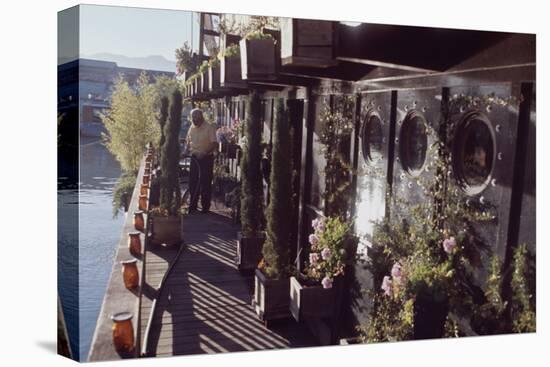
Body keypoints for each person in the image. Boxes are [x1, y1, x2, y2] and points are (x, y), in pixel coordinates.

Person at [184, 108, 218, 213]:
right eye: (193, 118)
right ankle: (193, 206)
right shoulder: (192, 127)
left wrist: (205, 152)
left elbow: (214, 144)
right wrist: (185, 152)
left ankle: (205, 207)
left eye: (196, 118)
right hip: (195, 158)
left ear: (201, 117)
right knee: (193, 182)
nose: (194, 120)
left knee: (205, 183)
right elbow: (188, 142)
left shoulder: (209, 127)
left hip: (206, 158)